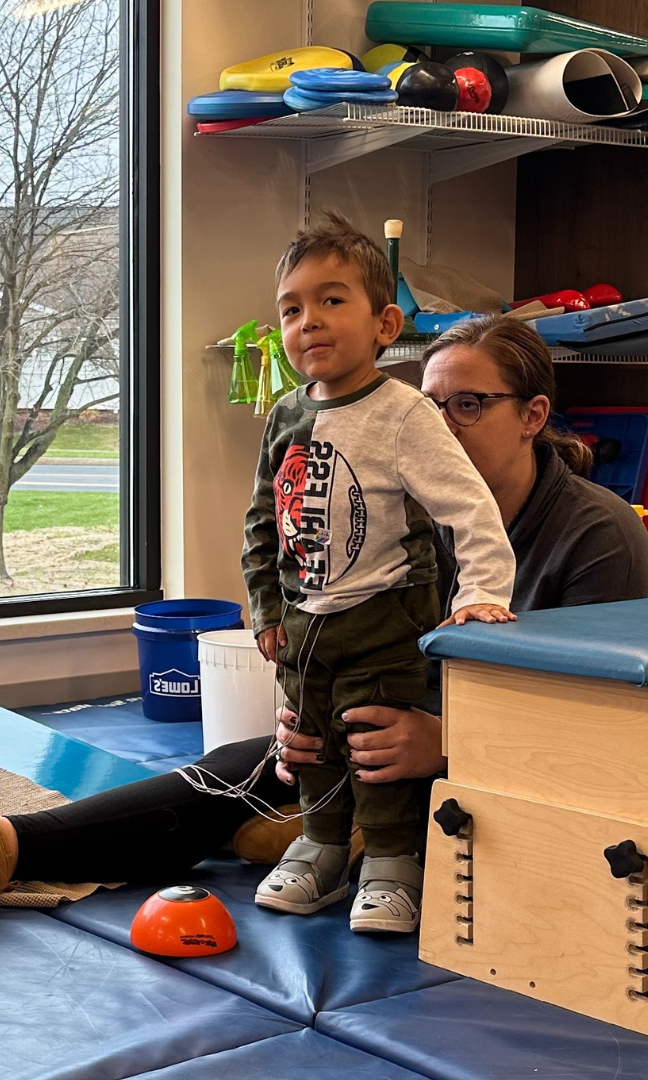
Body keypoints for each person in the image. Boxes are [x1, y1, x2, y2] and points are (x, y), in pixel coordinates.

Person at [0, 312, 648, 928]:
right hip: (382, 748)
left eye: (469, 406)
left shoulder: (597, 537)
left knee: (307, 791)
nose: (435, 428)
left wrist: (443, 743)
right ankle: (0, 844)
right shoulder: (402, 518)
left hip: (524, 780)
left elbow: (608, 735)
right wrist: (310, 709)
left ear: (532, 414)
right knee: (256, 758)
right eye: (427, 406)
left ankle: (333, 836)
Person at [240, 212, 515, 935]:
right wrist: (267, 609)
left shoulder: (404, 413)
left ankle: (394, 863)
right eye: (292, 309)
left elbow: (470, 508)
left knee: (373, 742)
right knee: (310, 742)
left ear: (385, 322)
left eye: (333, 301)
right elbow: (263, 522)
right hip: (304, 620)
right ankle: (323, 848)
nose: (310, 322)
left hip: (383, 616)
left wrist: (482, 594)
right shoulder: (286, 415)